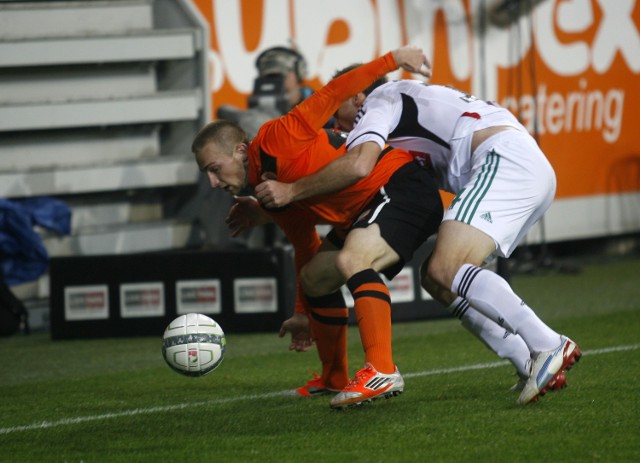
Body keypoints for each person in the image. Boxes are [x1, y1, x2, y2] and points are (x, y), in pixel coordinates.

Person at [253, 77, 582, 405]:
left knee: (447, 266)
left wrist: (290, 192)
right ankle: (526, 361)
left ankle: (547, 344)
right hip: (516, 164)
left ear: (357, 99)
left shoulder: (379, 100)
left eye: (339, 115)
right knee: (436, 277)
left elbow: (357, 165)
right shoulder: (406, 103)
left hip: (501, 160)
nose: (341, 128)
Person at [192, 46, 442, 409]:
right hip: (365, 208)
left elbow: (336, 91)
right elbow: (304, 244)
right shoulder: (269, 192)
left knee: (353, 259)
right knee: (315, 277)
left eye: (215, 168)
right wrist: (302, 311)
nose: (214, 182)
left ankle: (382, 368)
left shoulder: (278, 137)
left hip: (399, 185)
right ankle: (334, 377)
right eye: (207, 175)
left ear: (242, 152)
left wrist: (392, 60)